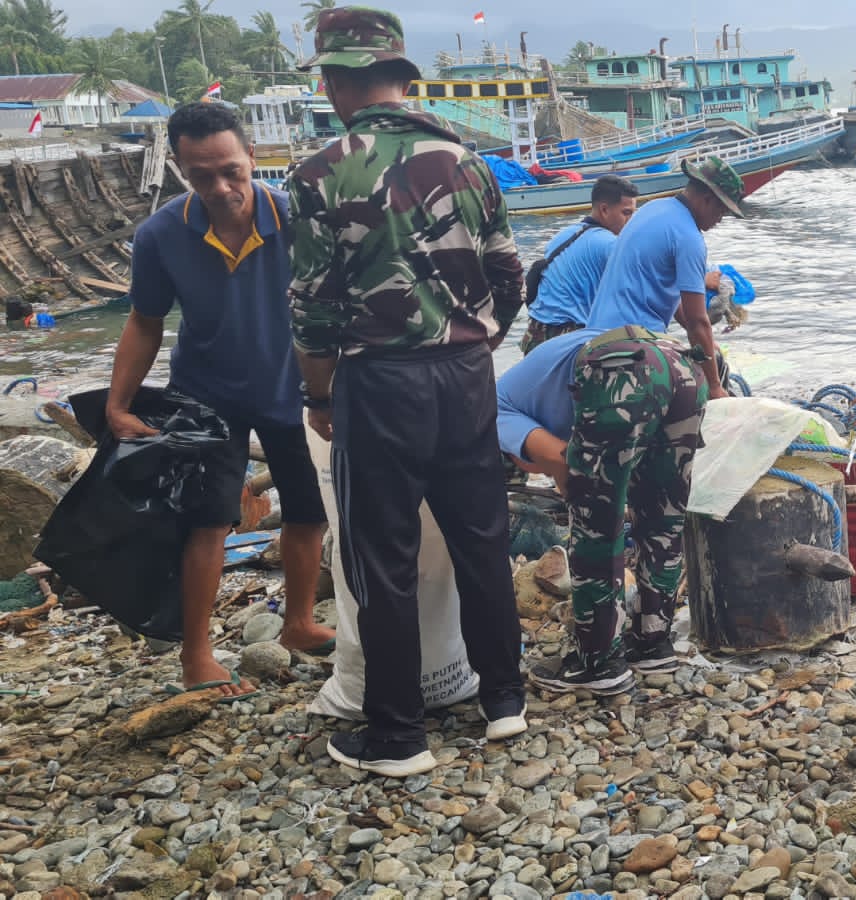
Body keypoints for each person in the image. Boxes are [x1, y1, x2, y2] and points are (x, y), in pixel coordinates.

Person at [289, 6, 527, 776]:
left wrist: (319, 397)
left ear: (332, 82)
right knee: (482, 542)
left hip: (379, 383)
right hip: (465, 378)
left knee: (382, 556)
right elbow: (508, 274)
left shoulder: (320, 173)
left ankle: (396, 736)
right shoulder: (472, 163)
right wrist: (476, 342)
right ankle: (504, 702)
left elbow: (313, 310)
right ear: (401, 74)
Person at [104, 102, 334, 700]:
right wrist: (118, 403)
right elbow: (145, 321)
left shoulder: (298, 218)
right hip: (206, 395)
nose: (221, 187)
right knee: (206, 522)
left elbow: (337, 307)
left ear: (253, 156)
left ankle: (300, 622)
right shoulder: (160, 235)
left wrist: (333, 391)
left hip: (295, 388)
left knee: (308, 510)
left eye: (231, 169)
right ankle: (197, 654)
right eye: (201, 175)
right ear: (180, 168)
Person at [496, 324, 706, 694]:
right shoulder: (530, 383)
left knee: (596, 527)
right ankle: (652, 643)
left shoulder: (491, 408)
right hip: (682, 366)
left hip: (620, 376)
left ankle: (598, 663)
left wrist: (584, 496)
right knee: (663, 516)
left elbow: (556, 457)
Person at [585, 157, 743, 402]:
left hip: (595, 338)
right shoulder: (689, 238)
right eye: (722, 211)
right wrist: (713, 387)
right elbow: (697, 320)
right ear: (708, 200)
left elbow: (677, 305)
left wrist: (708, 348)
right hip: (631, 348)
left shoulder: (654, 209)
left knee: (713, 357)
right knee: (698, 390)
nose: (720, 219)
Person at [520, 174, 639, 355]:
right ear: (604, 210)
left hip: (534, 334)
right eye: (626, 213)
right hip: (566, 338)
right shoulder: (609, 244)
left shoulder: (564, 235)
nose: (631, 221)